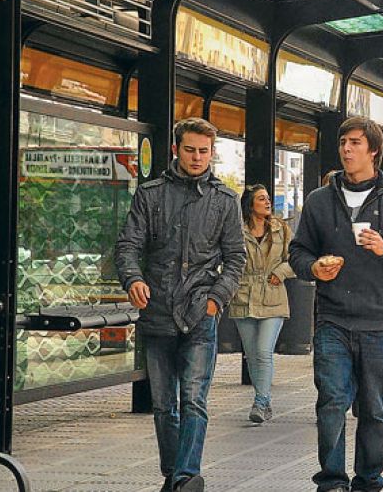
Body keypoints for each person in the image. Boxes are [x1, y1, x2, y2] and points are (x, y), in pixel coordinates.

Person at [289, 117, 383, 492]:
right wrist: (314, 268)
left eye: (355, 143)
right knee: (332, 401)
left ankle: (369, 480)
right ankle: (332, 480)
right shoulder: (320, 200)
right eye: (343, 143)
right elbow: (298, 252)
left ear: (373, 151)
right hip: (332, 319)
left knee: (372, 407)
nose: (347, 150)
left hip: (378, 321)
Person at [114, 118, 246, 492]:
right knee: (163, 405)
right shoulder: (149, 194)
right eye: (190, 150)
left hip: (200, 312)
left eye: (204, 151)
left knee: (194, 400)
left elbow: (236, 258)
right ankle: (174, 477)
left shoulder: (225, 201)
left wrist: (216, 299)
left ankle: (186, 475)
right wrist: (133, 279)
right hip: (156, 313)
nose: (197, 157)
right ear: (175, 149)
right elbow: (127, 246)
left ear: (212, 152)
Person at [229, 184, 296, 424]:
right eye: (261, 199)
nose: (267, 202)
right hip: (244, 296)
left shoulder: (281, 229)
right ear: (250, 204)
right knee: (251, 353)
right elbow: (229, 258)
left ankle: (260, 400)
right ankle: (264, 400)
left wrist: (282, 271)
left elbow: (296, 257)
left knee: (263, 350)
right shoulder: (236, 230)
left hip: (273, 294)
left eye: (268, 198)